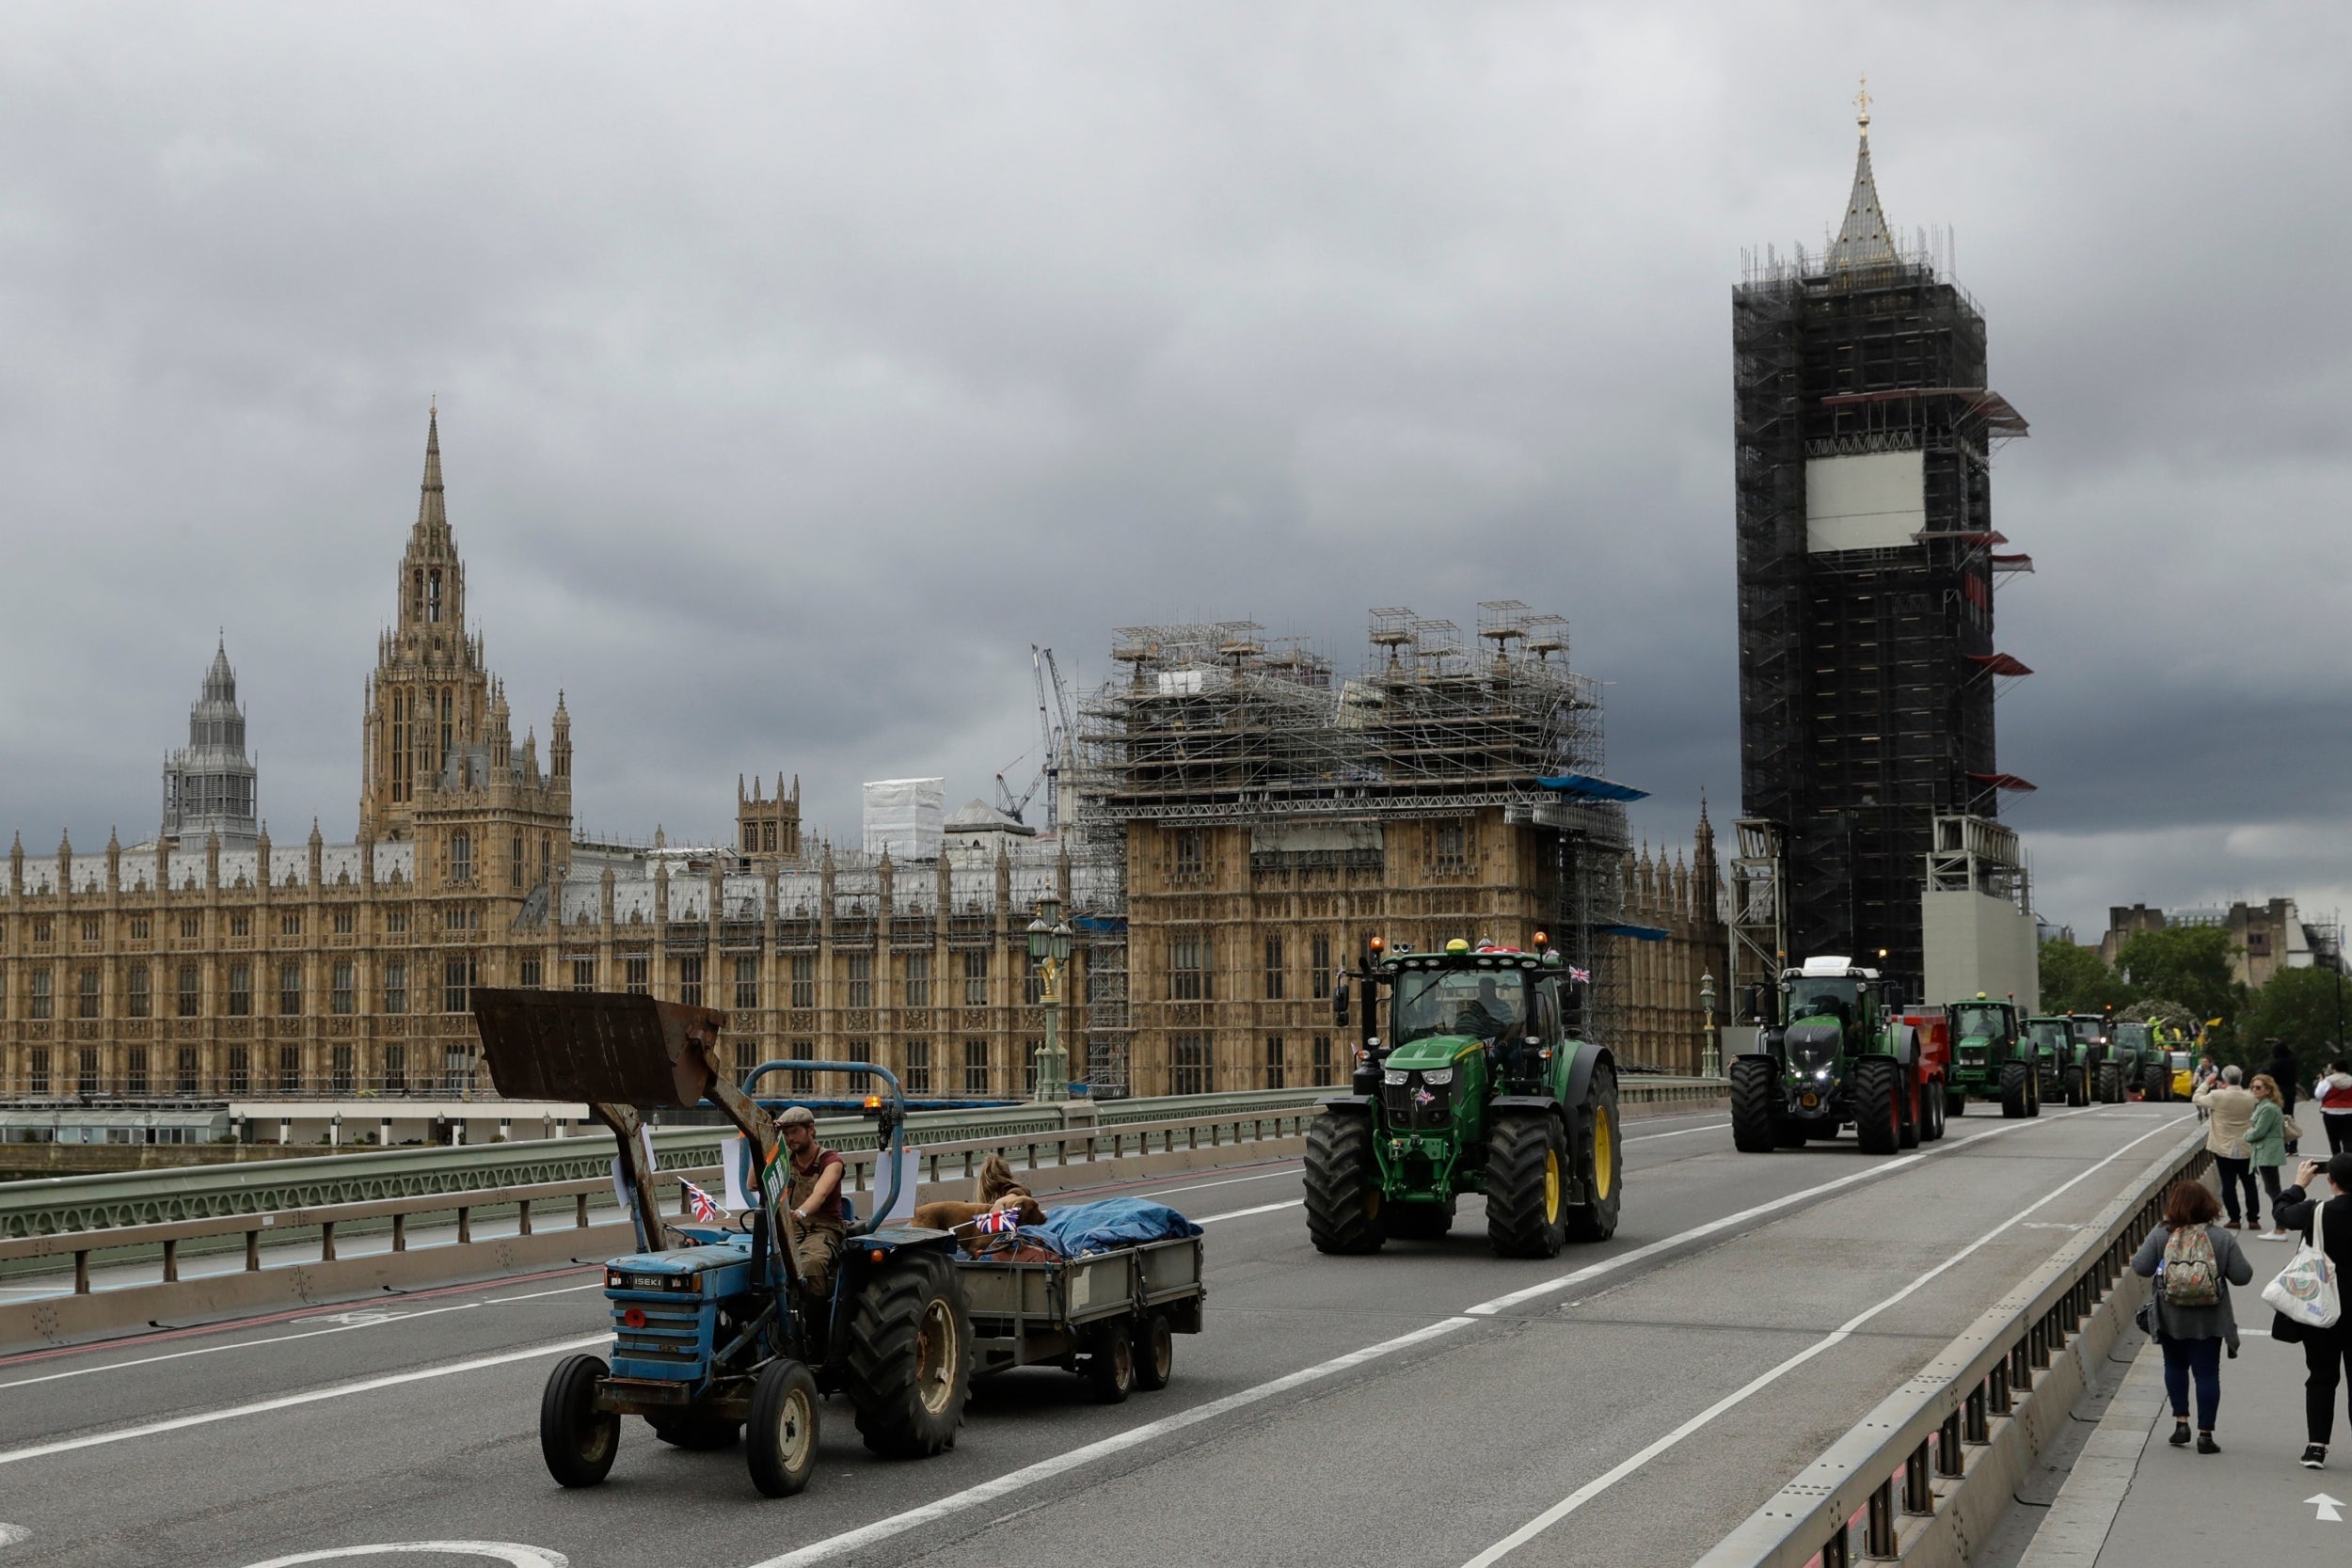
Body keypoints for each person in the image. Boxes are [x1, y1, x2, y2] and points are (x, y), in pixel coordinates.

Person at [2132, 1179, 2252, 1453]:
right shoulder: (2220, 1238)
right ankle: (2206, 1435)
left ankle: (2180, 1422)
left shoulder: (2162, 1233)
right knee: (2207, 1374)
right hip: (2210, 1318)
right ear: (2208, 1206)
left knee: (2174, 1366)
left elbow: (2141, 1266)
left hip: (2170, 1316)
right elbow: (2243, 1276)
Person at [2276, 1152, 2352, 1469]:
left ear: (2330, 1180)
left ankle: (2316, 1447)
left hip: (2321, 1307)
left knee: (2321, 1376)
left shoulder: (2315, 1211)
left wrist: (2297, 1186)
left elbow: (2282, 1214)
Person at [776, 1105, 846, 1297]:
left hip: (822, 1229)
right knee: (760, 1263)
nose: (790, 1138)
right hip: (789, 1228)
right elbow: (753, 1184)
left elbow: (820, 1193)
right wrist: (769, 1143)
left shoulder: (830, 1161)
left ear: (811, 1130)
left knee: (811, 1265)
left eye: (795, 1131)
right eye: (786, 1133)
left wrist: (800, 1212)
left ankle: (812, 1318)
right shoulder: (784, 1158)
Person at [2194, 1066, 2261, 1228]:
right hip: (2246, 1145)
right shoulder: (2250, 1097)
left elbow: (2197, 1098)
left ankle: (2234, 1218)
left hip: (2224, 1146)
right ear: (2241, 1078)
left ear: (2224, 1080)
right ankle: (2253, 1219)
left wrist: (2206, 1082)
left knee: (2228, 1183)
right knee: (2249, 1183)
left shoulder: (2217, 1096)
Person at [2249, 1074, 2292, 1239]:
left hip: (2268, 1151)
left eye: (2258, 1087)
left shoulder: (2267, 1108)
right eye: (2252, 1087)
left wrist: (2246, 1135)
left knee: (2273, 1190)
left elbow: (2259, 1131)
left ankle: (2281, 1227)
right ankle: (2280, 1225)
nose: (2254, 1090)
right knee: (2273, 1188)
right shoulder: (2266, 1105)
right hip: (2267, 1150)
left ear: (2268, 1089)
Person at [2268, 1037, 2305, 1155]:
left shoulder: (2275, 1064)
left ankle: (2283, 1145)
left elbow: (2271, 1080)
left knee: (2280, 1119)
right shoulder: (2292, 1062)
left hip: (2279, 1093)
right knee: (2290, 1118)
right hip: (2291, 1092)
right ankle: (2293, 1146)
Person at [2316, 1059, 2352, 1156]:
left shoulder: (2328, 1081)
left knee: (2334, 1140)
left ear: (2334, 1069)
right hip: (2349, 1112)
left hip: (2330, 1112)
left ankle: (2336, 1161)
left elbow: (2318, 1095)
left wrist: (2320, 1082)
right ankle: (2349, 1162)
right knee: (2348, 1140)